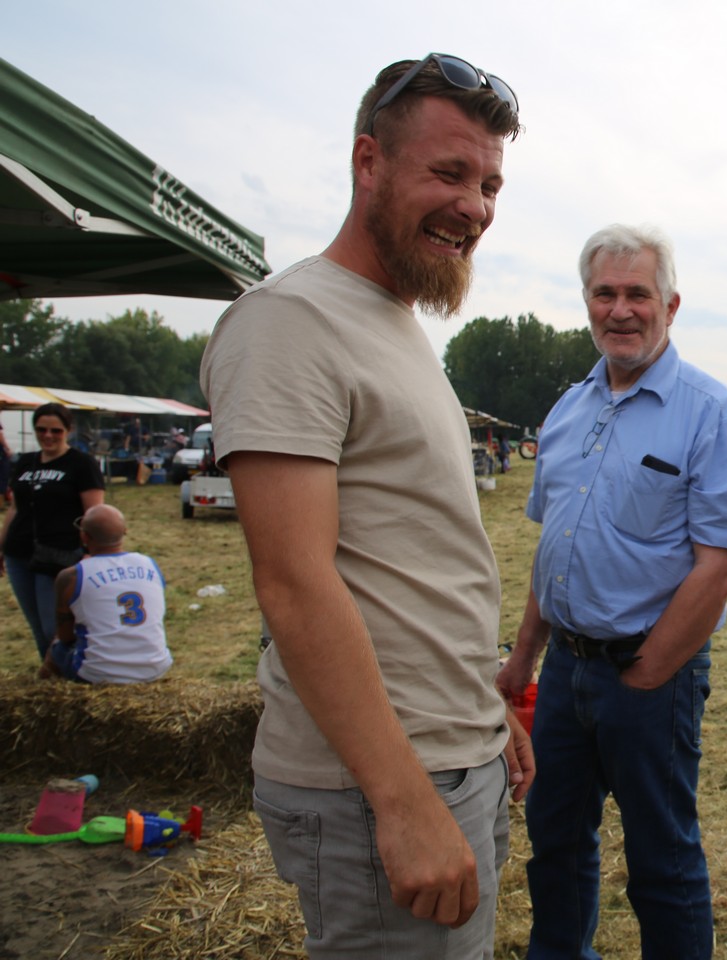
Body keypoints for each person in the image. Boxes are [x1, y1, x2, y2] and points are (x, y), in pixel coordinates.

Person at [200, 53, 531, 959]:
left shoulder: (395, 323)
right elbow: (295, 585)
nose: (474, 207)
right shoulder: (289, 321)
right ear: (368, 162)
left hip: (447, 754)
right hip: (375, 788)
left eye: (490, 185)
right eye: (449, 173)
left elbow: (411, 557)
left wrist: (482, 709)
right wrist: (403, 800)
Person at [496, 224, 727, 959]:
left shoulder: (713, 413)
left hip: (651, 675)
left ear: (670, 306)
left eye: (637, 294)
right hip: (564, 673)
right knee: (554, 842)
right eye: (604, 294)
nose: (621, 310)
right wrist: (524, 660)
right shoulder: (567, 411)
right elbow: (554, 551)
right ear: (587, 302)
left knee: (661, 861)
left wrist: (646, 674)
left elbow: (720, 567)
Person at [1, 403, 105, 659]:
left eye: (55, 430)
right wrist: (1, 545)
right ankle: (50, 673)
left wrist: (92, 553)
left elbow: (94, 513)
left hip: (60, 555)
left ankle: (69, 670)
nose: (48, 436)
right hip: (19, 553)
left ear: (68, 430)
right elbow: (15, 508)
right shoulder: (25, 462)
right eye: (41, 429)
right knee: (37, 626)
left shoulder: (81, 463)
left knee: (54, 627)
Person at [39, 504, 172, 684]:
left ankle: (41, 687)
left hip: (97, 672)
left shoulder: (71, 576)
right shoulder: (150, 564)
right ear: (125, 531)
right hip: (155, 666)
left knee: (57, 647)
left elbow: (66, 636)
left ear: (84, 537)